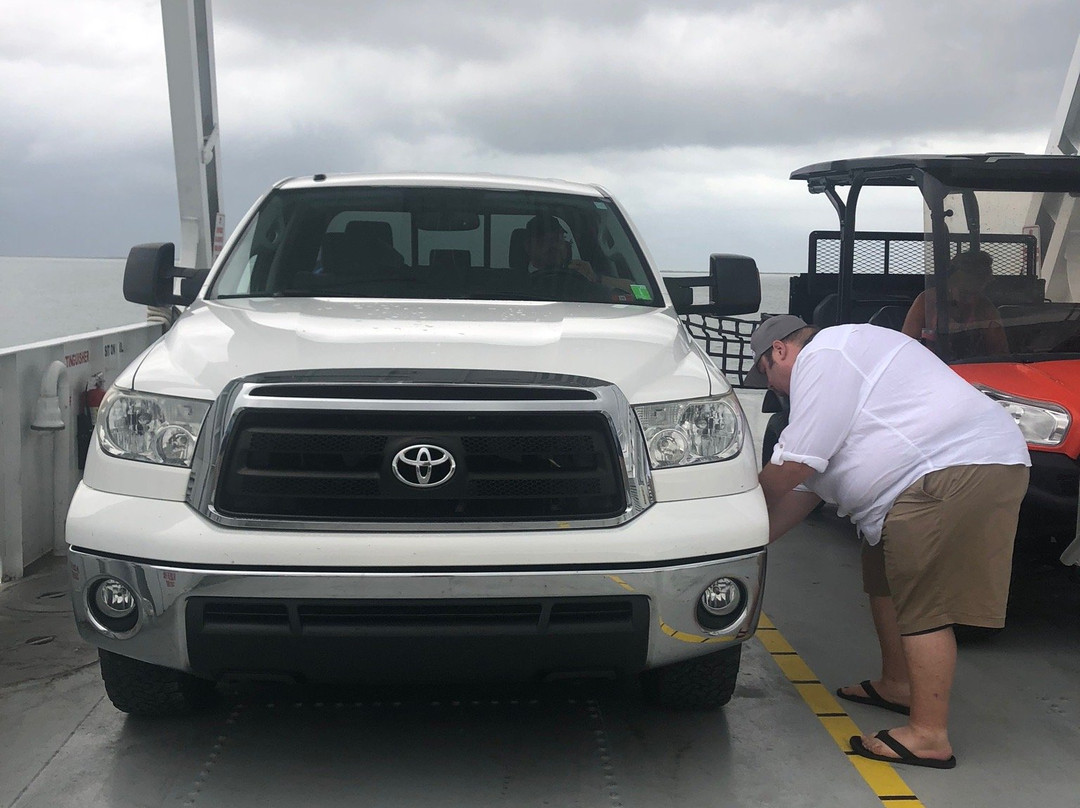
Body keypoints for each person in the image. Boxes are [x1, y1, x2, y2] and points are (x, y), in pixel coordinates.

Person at [747, 314, 1030, 769]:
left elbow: (794, 467)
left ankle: (928, 735)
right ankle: (897, 684)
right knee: (882, 578)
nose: (778, 392)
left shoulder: (826, 353)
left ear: (779, 350)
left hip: (947, 470)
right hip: (919, 482)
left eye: (768, 377)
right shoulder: (843, 369)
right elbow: (802, 491)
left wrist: (724, 508)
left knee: (923, 602)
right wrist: (738, 542)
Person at [901, 250, 1008, 357]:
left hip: (973, 367)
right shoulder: (926, 301)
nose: (970, 299)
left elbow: (999, 352)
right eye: (965, 292)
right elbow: (907, 345)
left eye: (985, 276)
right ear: (954, 276)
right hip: (931, 366)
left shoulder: (986, 308)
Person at [524, 214, 598, 281]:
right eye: (545, 241)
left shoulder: (578, 274)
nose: (554, 246)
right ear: (528, 246)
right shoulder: (516, 282)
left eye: (558, 239)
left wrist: (594, 278)